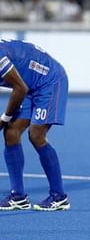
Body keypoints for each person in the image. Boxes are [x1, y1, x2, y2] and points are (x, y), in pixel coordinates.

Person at [0, 39, 70, 211]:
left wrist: (4, 118)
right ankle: (18, 196)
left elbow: (20, 89)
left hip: (50, 81)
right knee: (11, 133)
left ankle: (59, 196)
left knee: (36, 135)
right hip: (29, 85)